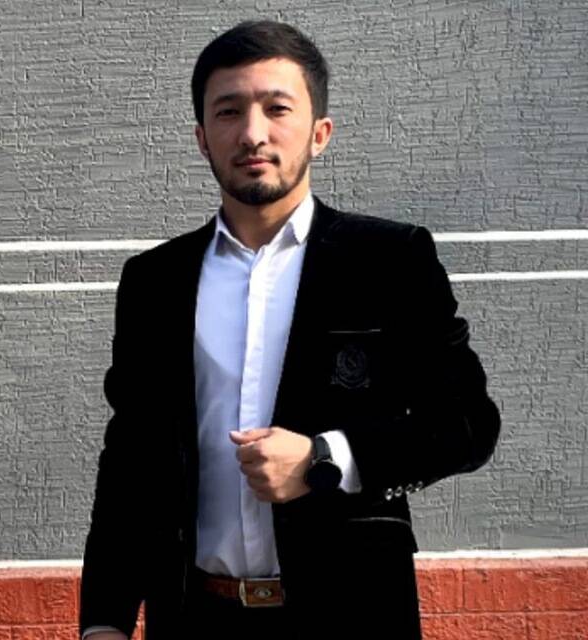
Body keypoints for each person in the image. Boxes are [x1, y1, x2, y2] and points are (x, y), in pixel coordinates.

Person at [79, 20, 501, 640]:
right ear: (202, 138)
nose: (253, 133)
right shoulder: (155, 281)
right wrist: (104, 621)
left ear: (319, 132)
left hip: (350, 616)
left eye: (277, 108)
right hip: (196, 618)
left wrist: (324, 458)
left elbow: (468, 424)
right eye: (228, 111)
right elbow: (131, 462)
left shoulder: (389, 260)